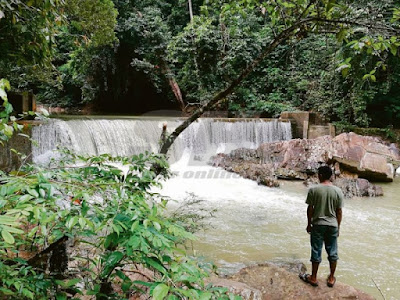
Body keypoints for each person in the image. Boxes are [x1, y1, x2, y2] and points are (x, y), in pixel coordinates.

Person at [299, 166, 343, 288]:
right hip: (332, 225)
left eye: (319, 174)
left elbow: (310, 209)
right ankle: (331, 278)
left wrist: (309, 223)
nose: (317, 176)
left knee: (316, 250)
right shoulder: (338, 191)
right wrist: (338, 227)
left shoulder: (314, 190)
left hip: (318, 224)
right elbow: (339, 211)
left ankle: (313, 277)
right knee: (332, 252)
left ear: (321, 175)